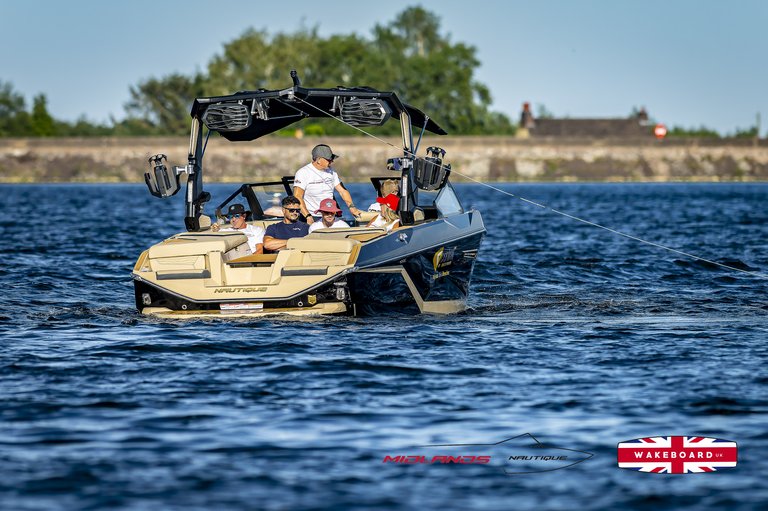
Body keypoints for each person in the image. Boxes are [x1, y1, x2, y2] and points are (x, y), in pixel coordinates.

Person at [294, 144, 362, 225]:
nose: (332, 161)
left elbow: (342, 191)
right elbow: (297, 196)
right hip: (311, 216)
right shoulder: (303, 173)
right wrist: (308, 216)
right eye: (329, 159)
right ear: (318, 160)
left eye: (332, 159)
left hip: (330, 215)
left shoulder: (332, 172)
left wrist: (352, 207)